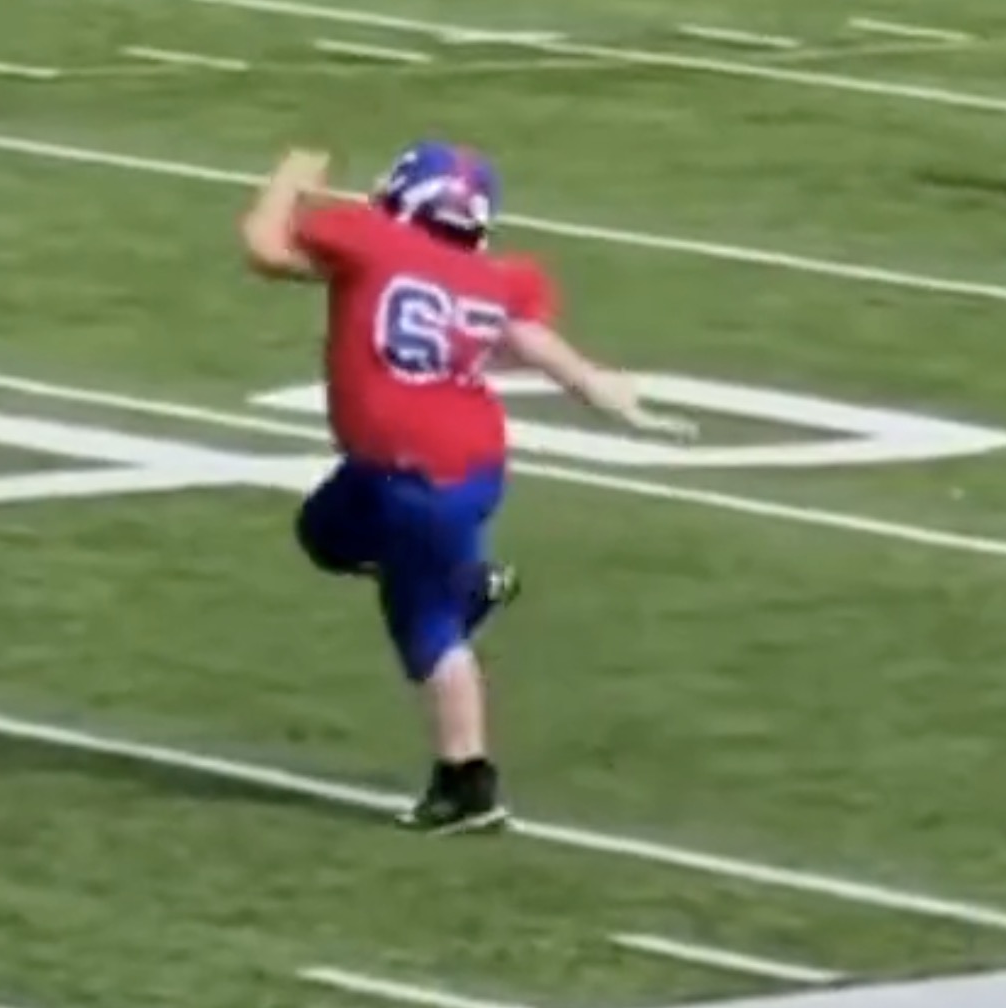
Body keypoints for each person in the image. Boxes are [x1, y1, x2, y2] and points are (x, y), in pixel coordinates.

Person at [240, 140, 691, 832]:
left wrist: (291, 180)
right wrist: (600, 388)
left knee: (426, 628)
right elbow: (531, 338)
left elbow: (267, 250)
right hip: (459, 462)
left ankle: (467, 780)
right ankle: (466, 583)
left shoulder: (369, 240)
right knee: (326, 532)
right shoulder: (490, 279)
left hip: (418, 475)